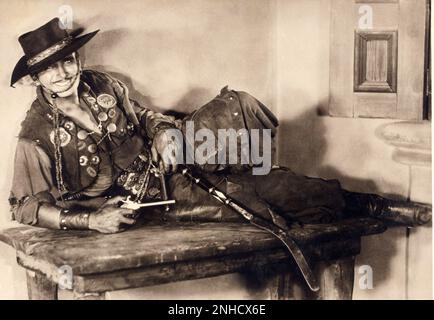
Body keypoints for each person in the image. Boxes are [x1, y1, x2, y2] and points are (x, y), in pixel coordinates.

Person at [8, 18, 431, 234]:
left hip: (174, 162)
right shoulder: (36, 134)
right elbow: (24, 207)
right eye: (49, 68)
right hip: (150, 206)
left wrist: (163, 131)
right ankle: (368, 209)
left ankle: (374, 204)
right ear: (34, 79)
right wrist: (90, 222)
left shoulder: (103, 84)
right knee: (267, 203)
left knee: (249, 128)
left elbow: (146, 115)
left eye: (67, 60)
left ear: (78, 58)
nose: (62, 72)